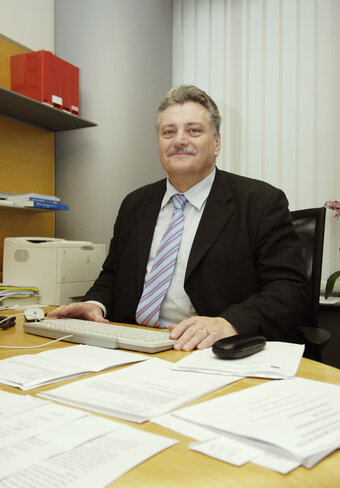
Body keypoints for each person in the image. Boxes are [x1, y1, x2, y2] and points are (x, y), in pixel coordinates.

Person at [48, 85, 308, 351]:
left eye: (193, 130)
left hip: (209, 350)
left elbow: (290, 289)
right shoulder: (135, 204)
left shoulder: (260, 202)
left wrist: (230, 322)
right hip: (134, 344)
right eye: (168, 132)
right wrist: (95, 304)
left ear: (216, 143)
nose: (179, 140)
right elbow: (112, 275)